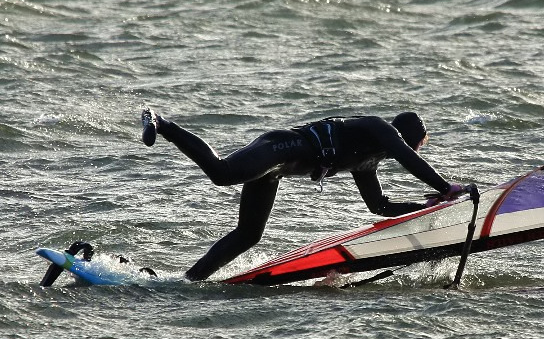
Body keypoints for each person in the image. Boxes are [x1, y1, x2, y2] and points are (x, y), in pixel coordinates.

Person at [141, 109, 462, 281]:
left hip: (277, 170)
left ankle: (189, 281)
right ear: (411, 139)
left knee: (249, 234)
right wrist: (444, 188)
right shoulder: (379, 128)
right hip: (281, 147)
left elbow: (379, 205)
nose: (414, 151)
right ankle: (161, 122)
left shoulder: (368, 161)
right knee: (222, 174)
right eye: (418, 146)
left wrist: (424, 205)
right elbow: (408, 158)